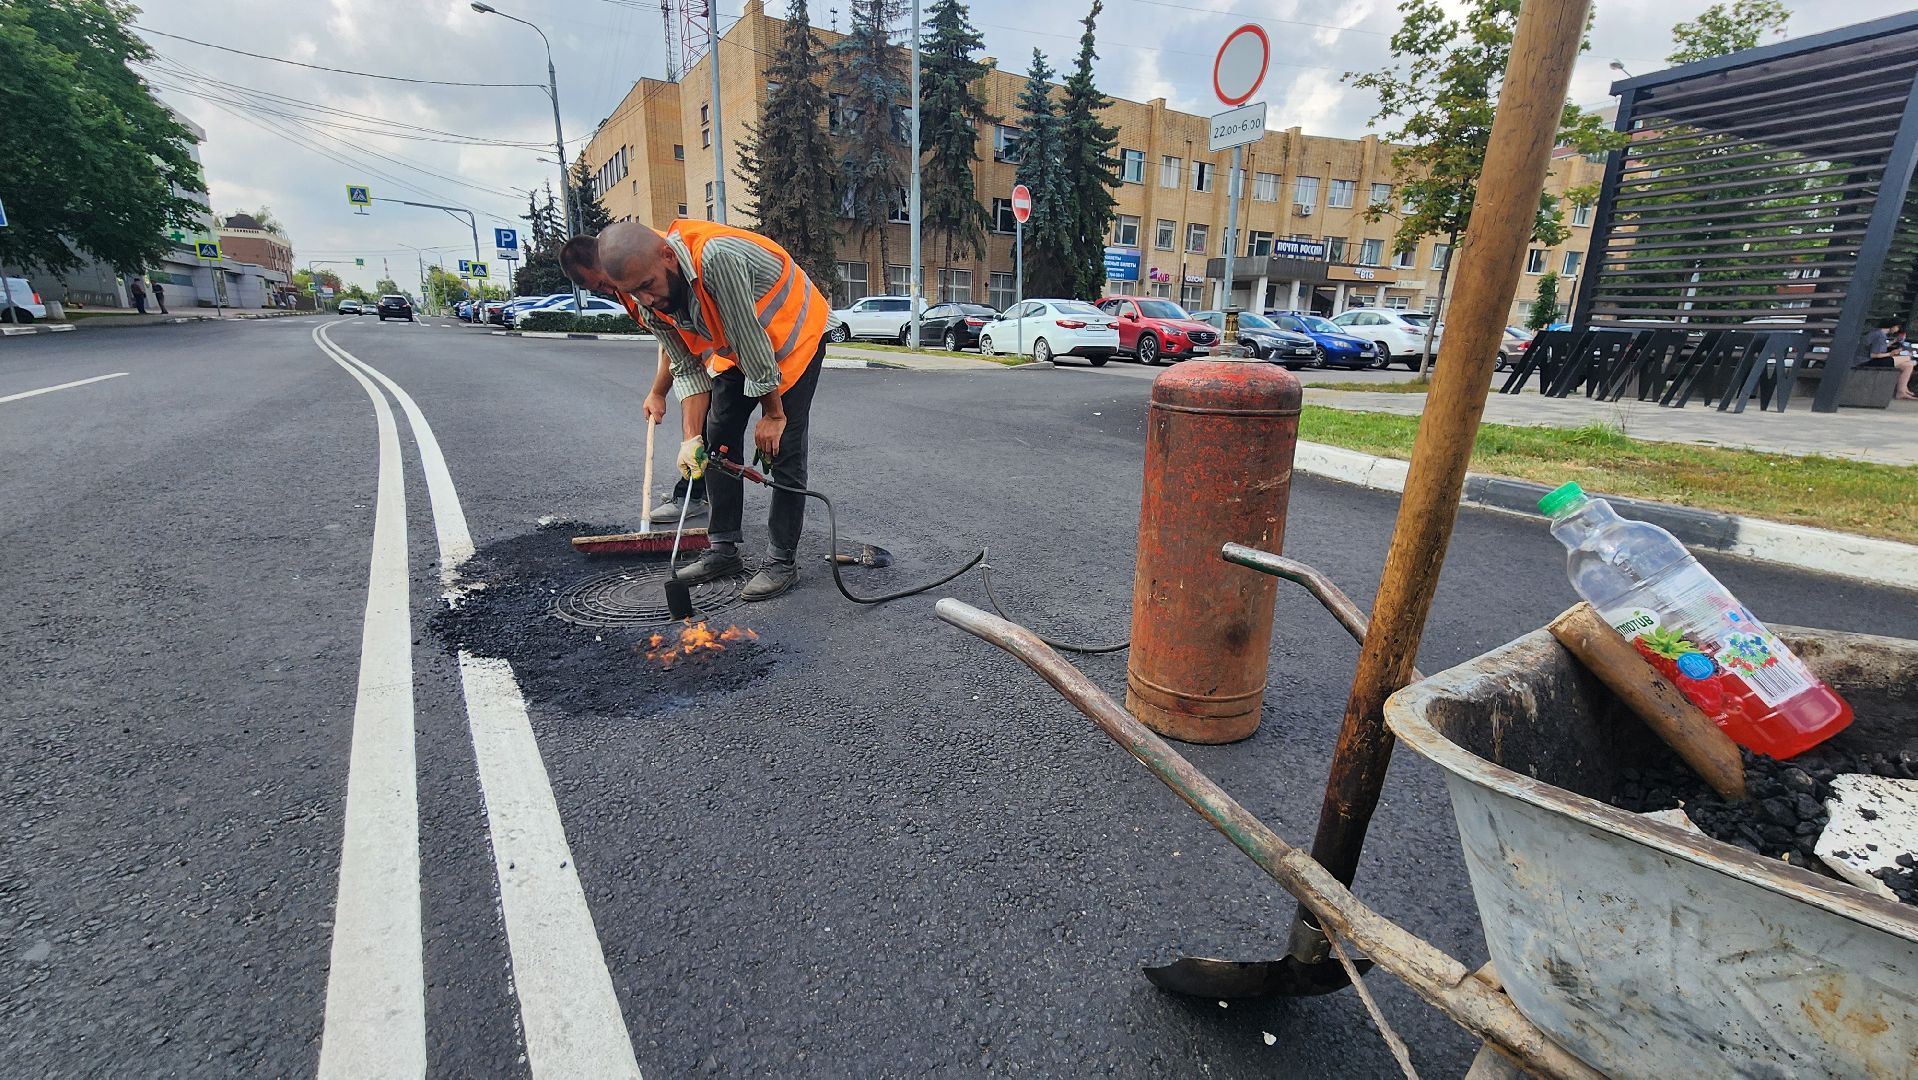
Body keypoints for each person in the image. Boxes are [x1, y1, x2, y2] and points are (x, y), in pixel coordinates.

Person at [560, 219, 828, 600]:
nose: (646, 300)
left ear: (668, 256)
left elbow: (748, 338)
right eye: (633, 292)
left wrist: (773, 415)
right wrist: (691, 439)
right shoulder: (642, 295)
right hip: (741, 348)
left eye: (648, 286)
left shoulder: (715, 259)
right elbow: (686, 365)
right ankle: (722, 549)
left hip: (793, 335)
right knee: (717, 438)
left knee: (781, 447)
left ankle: (781, 561)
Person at [642, 346, 709, 523]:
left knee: (712, 427)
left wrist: (658, 392)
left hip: (732, 363)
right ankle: (702, 491)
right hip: (714, 357)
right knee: (707, 426)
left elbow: (680, 349)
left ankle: (692, 494)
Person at [1862, 317, 1916, 401]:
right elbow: (1874, 355)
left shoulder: (1877, 333)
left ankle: (1902, 391)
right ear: (1893, 326)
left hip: (1872, 359)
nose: (1897, 330)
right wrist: (1890, 354)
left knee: (1908, 365)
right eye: (1898, 327)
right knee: (1908, 358)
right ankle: (1902, 390)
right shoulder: (1880, 335)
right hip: (1868, 360)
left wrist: (1894, 341)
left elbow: (1879, 347)